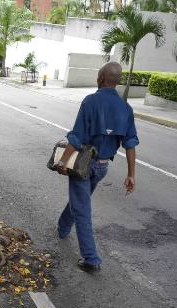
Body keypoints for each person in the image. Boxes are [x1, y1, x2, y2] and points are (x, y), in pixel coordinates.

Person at [55, 62, 139, 272]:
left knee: (82, 208)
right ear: (117, 80)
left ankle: (91, 258)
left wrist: (63, 161)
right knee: (80, 200)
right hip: (102, 167)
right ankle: (63, 227)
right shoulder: (126, 108)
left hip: (83, 163)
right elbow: (130, 144)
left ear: (100, 78)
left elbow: (77, 138)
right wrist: (131, 175)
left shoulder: (91, 101)